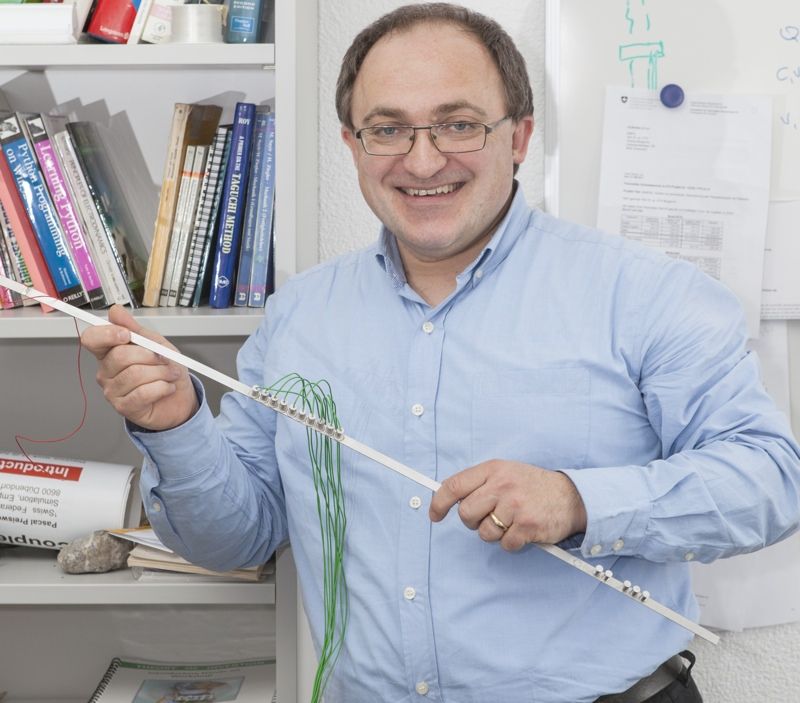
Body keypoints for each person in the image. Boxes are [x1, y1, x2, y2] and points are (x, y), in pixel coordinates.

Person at [82, 4, 800, 702]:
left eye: (458, 124)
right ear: (351, 145)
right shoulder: (298, 317)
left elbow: (770, 480)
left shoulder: (646, 293)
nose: (423, 160)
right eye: (388, 129)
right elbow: (235, 537)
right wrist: (175, 425)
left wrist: (579, 501)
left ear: (518, 136)